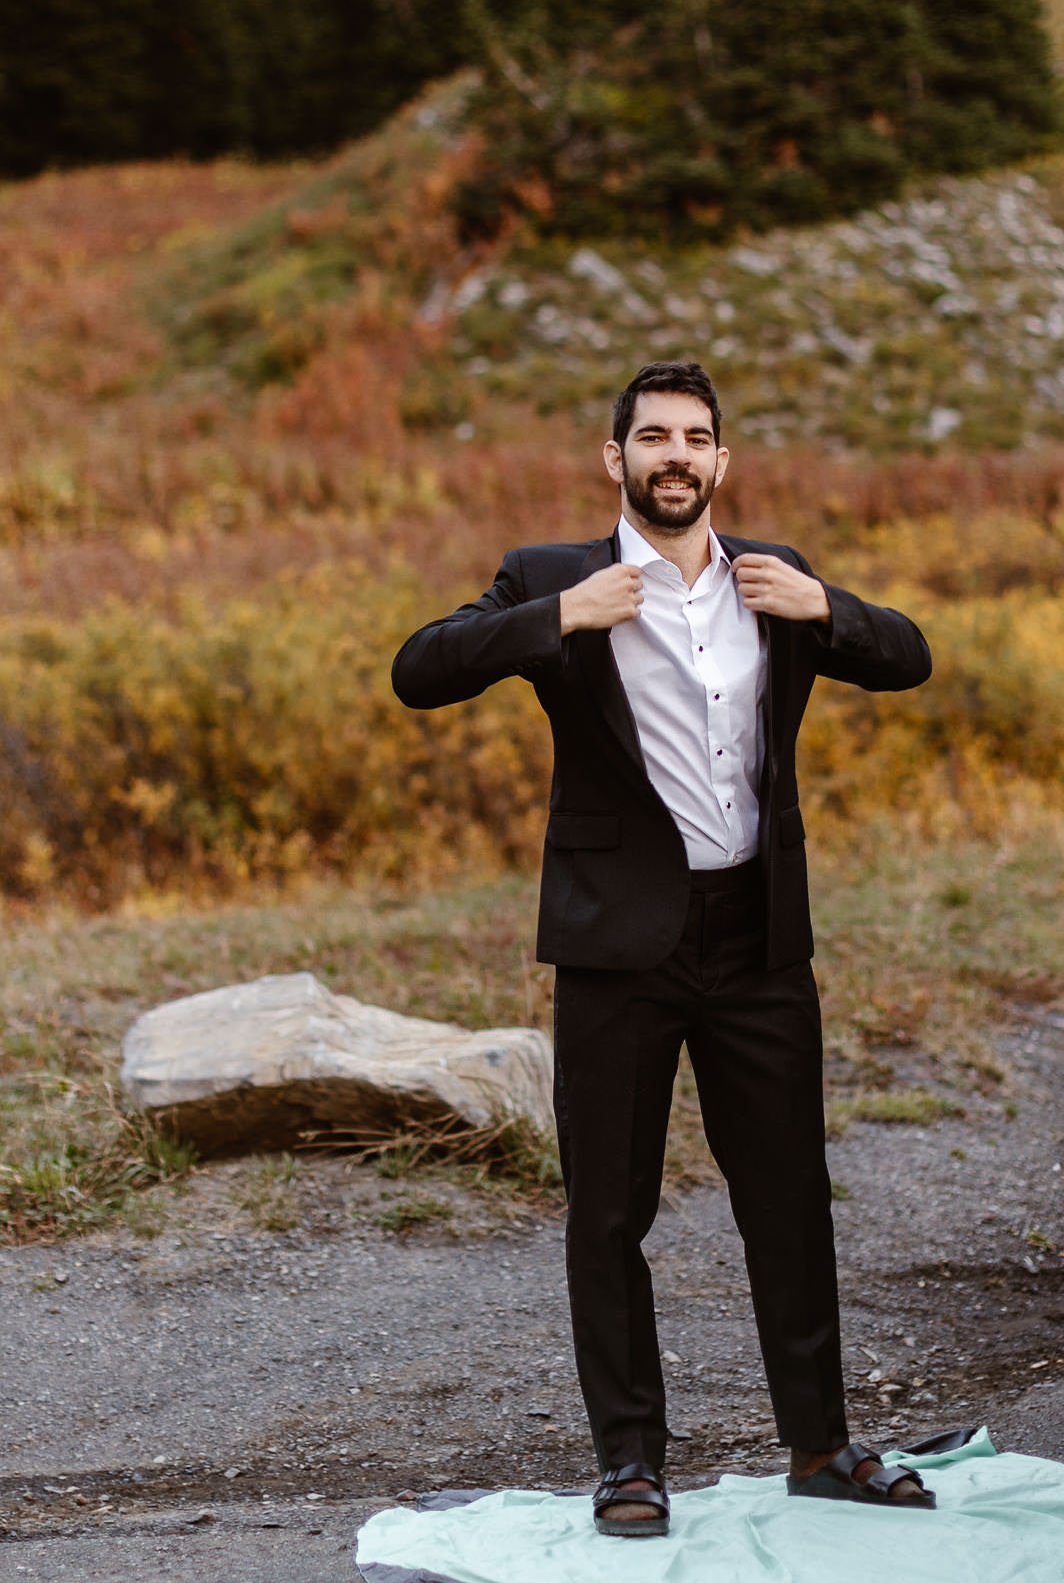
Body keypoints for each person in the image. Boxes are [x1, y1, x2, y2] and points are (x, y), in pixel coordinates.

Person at [391, 359, 934, 1537]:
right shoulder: (553, 576)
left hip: (758, 940)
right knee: (609, 1210)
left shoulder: (771, 575)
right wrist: (555, 619)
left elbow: (910, 656)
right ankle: (630, 1458)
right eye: (653, 436)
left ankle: (821, 1443)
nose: (675, 454)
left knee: (789, 1199)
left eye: (696, 436)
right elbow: (418, 669)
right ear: (617, 459)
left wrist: (828, 609)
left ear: (721, 461)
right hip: (615, 945)